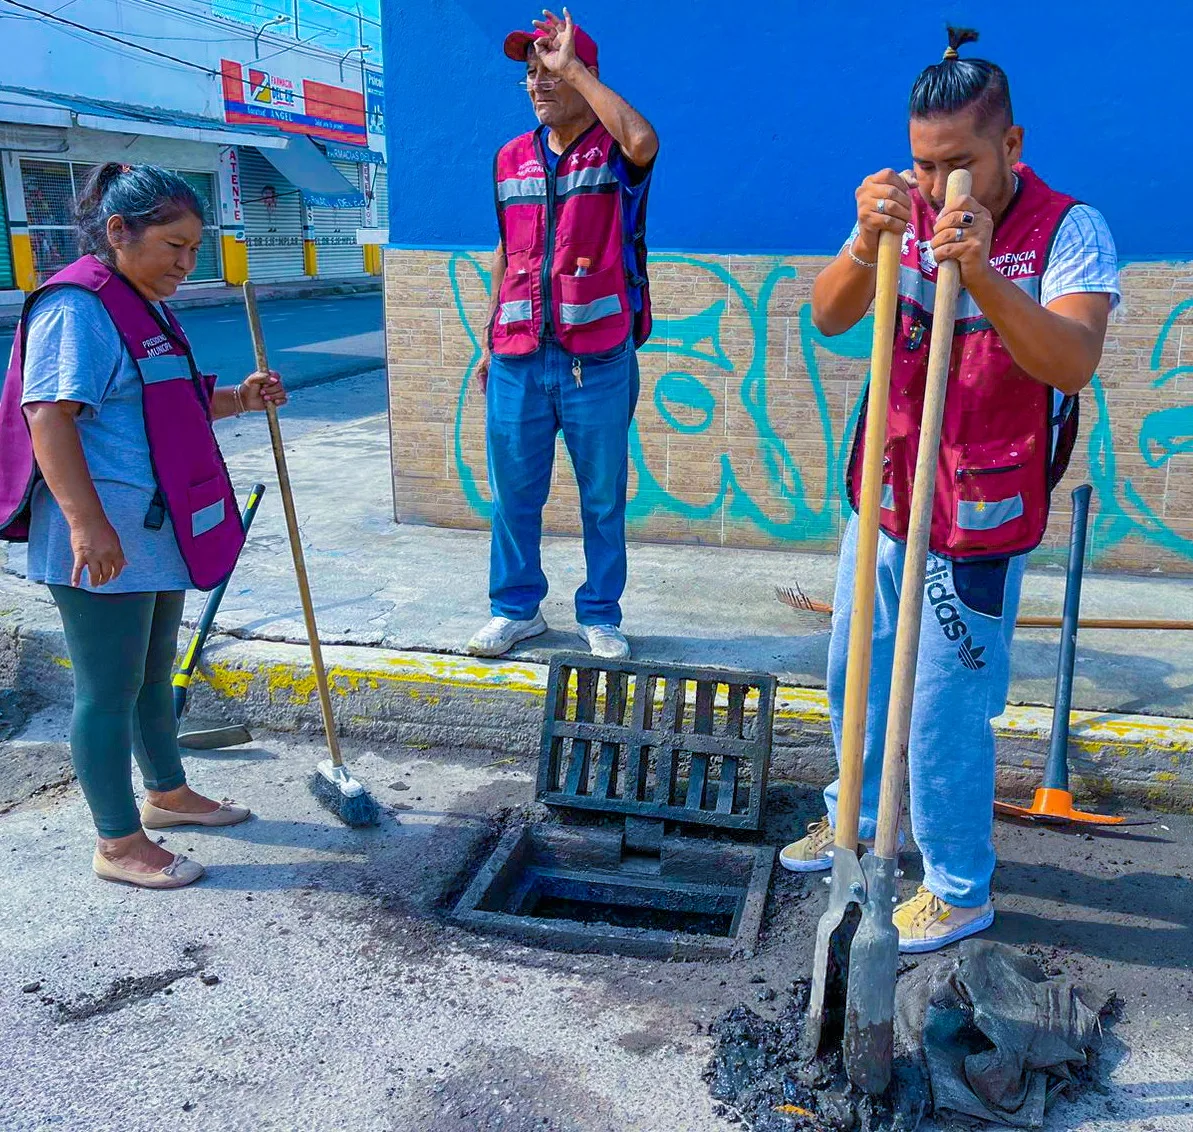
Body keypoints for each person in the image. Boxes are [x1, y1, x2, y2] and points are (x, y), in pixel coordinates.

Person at [780, 29, 1120, 952]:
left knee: (942, 708)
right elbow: (829, 314)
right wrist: (863, 238)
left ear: (1010, 147)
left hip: (978, 519)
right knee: (855, 673)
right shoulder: (900, 211)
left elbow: (1071, 361)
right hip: (885, 496)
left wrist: (976, 272)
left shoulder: (1065, 229)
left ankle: (959, 884)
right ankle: (853, 819)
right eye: (924, 164)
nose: (936, 187)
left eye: (958, 163)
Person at [0, 163, 288, 889]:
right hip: (104, 539)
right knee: (108, 687)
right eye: (174, 246)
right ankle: (117, 843)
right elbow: (48, 417)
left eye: (196, 249)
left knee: (152, 673)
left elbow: (164, 404)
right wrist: (87, 527)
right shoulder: (77, 307)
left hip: (156, 532)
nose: (187, 265)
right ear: (119, 231)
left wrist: (240, 400)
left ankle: (167, 793)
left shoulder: (144, 302)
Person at [466, 8, 658, 661]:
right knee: (514, 496)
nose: (538, 84)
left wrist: (572, 63)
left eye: (549, 70)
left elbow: (643, 141)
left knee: (601, 498)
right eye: (530, 73)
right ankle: (515, 609)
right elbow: (504, 248)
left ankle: (600, 613)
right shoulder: (508, 159)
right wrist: (486, 342)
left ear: (583, 74)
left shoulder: (613, 154)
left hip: (595, 358)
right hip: (518, 356)